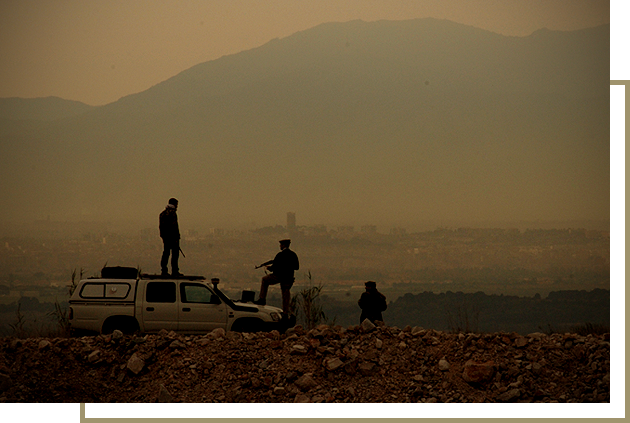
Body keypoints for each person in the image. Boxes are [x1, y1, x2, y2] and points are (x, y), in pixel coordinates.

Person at [255, 239, 299, 319]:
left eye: (281, 245)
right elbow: (296, 267)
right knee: (286, 295)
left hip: (279, 276)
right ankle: (285, 313)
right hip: (288, 278)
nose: (280, 246)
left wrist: (269, 268)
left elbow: (274, 267)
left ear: (283, 245)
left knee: (265, 279)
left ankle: (262, 299)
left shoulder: (280, 255)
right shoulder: (293, 254)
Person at [159, 198, 181, 276]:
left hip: (166, 238)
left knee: (166, 253)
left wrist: (164, 237)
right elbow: (174, 227)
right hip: (173, 238)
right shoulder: (172, 213)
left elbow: (161, 227)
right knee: (174, 255)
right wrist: (176, 238)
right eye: (176, 204)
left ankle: (164, 270)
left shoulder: (162, 213)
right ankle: (174, 271)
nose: (177, 206)